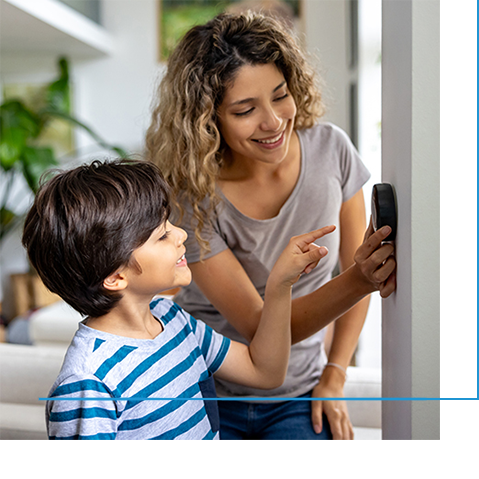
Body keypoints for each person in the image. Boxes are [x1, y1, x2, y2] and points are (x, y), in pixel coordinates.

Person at [145, 11, 396, 440]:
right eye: (245, 110)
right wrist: (359, 279)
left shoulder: (331, 150)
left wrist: (335, 374)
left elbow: (361, 264)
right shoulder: (192, 192)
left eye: (280, 95)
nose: (274, 121)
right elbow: (261, 328)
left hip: (298, 393)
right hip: (204, 391)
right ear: (209, 120)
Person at [21, 158, 336, 440]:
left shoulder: (172, 318)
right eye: (162, 235)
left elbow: (265, 371)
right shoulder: (87, 383)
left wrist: (280, 285)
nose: (181, 234)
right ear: (116, 277)